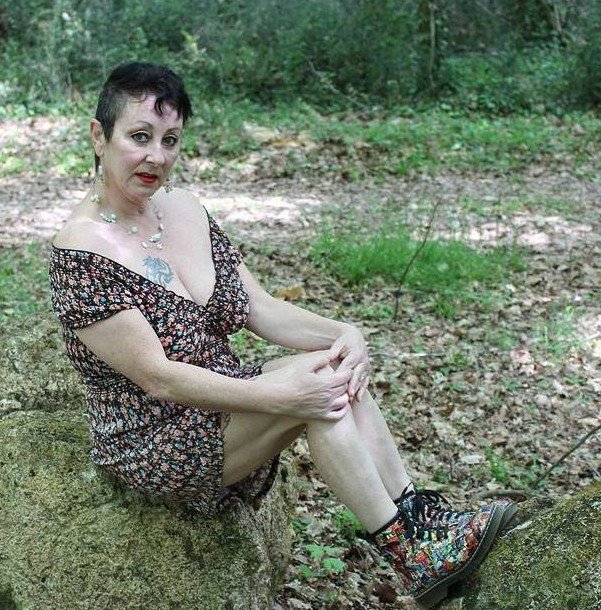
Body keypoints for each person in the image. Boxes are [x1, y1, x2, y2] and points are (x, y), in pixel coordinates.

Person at [49, 61, 515, 608]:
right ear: (99, 136)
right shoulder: (80, 251)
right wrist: (281, 395)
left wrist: (343, 333)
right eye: (139, 137)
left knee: (333, 370)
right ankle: (409, 550)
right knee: (318, 398)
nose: (157, 156)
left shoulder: (184, 208)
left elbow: (259, 308)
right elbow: (160, 379)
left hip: (223, 404)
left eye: (170, 140)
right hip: (153, 439)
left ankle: (419, 524)